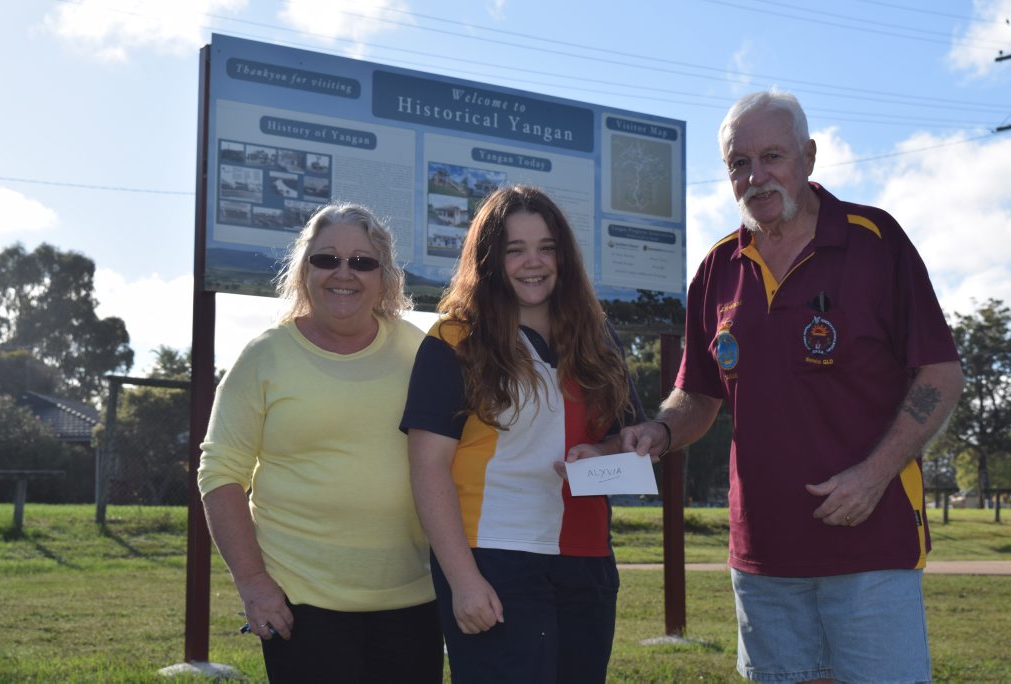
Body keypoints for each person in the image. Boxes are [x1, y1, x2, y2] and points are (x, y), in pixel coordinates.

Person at [622, 90, 965, 683]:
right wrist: (659, 429)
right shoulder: (714, 271)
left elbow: (940, 373)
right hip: (762, 566)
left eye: (772, 156)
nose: (756, 176)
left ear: (808, 157)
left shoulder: (875, 241)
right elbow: (699, 396)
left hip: (871, 551)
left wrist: (873, 475)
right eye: (738, 162)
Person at [401, 185, 644, 683]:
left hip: (588, 559)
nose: (534, 263)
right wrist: (463, 579)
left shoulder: (598, 335)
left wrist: (600, 450)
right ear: (490, 259)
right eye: (515, 250)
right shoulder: (454, 339)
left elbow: (630, 438)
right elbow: (427, 467)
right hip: (494, 558)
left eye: (546, 247)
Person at [197, 203, 443, 683]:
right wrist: (253, 585)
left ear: (384, 276)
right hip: (300, 605)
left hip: (414, 601)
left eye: (362, 261)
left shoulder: (421, 350)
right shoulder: (264, 356)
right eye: (326, 259)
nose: (343, 273)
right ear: (303, 270)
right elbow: (220, 473)